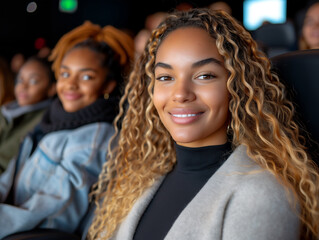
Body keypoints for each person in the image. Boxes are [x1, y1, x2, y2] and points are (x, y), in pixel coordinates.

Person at [88, 9, 319, 240]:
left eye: (204, 76)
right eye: (165, 77)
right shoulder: (142, 179)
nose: (180, 94)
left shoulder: (262, 194)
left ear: (236, 86)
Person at [0, 21, 134, 238]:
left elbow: (55, 213)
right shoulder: (53, 117)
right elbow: (11, 176)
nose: (70, 84)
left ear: (108, 86)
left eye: (86, 77)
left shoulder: (97, 136)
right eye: (65, 74)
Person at [0, 56, 56, 174]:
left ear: (52, 88)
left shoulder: (45, 121)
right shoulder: (6, 110)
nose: (23, 86)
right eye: (20, 80)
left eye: (33, 81)